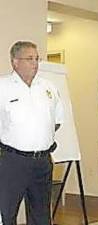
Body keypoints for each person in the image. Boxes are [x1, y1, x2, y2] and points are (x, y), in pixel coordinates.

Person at [0, 41, 64, 225]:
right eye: (29, 59)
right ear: (15, 62)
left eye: (37, 59)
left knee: (42, 215)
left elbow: (57, 121)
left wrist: (38, 139)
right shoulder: (2, 87)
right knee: (8, 212)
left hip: (42, 161)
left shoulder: (48, 87)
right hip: (13, 161)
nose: (35, 63)